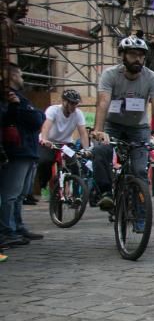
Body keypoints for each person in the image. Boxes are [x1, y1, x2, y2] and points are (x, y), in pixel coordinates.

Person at [92, 35, 154, 211]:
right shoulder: (110, 75)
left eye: (141, 55)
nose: (138, 59)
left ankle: (140, 216)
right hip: (113, 125)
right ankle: (105, 193)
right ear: (123, 56)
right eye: (133, 54)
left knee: (140, 171)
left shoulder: (152, 77)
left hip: (139, 127)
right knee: (100, 150)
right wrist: (98, 130)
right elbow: (103, 103)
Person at [0, 63, 44, 247]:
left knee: (19, 195)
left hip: (28, 151)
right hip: (18, 151)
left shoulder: (20, 99)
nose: (22, 79)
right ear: (11, 77)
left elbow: (39, 118)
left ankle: (17, 227)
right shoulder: (8, 98)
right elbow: (35, 119)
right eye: (20, 75)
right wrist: (27, 112)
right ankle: (7, 230)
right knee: (10, 195)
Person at [37, 89, 90, 195]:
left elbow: (83, 133)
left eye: (76, 103)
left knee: (75, 165)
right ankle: (43, 182)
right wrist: (44, 139)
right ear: (64, 102)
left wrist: (86, 149)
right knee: (44, 161)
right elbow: (46, 126)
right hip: (49, 142)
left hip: (66, 143)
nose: (74, 106)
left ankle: (77, 196)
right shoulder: (53, 110)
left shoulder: (78, 114)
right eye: (71, 103)